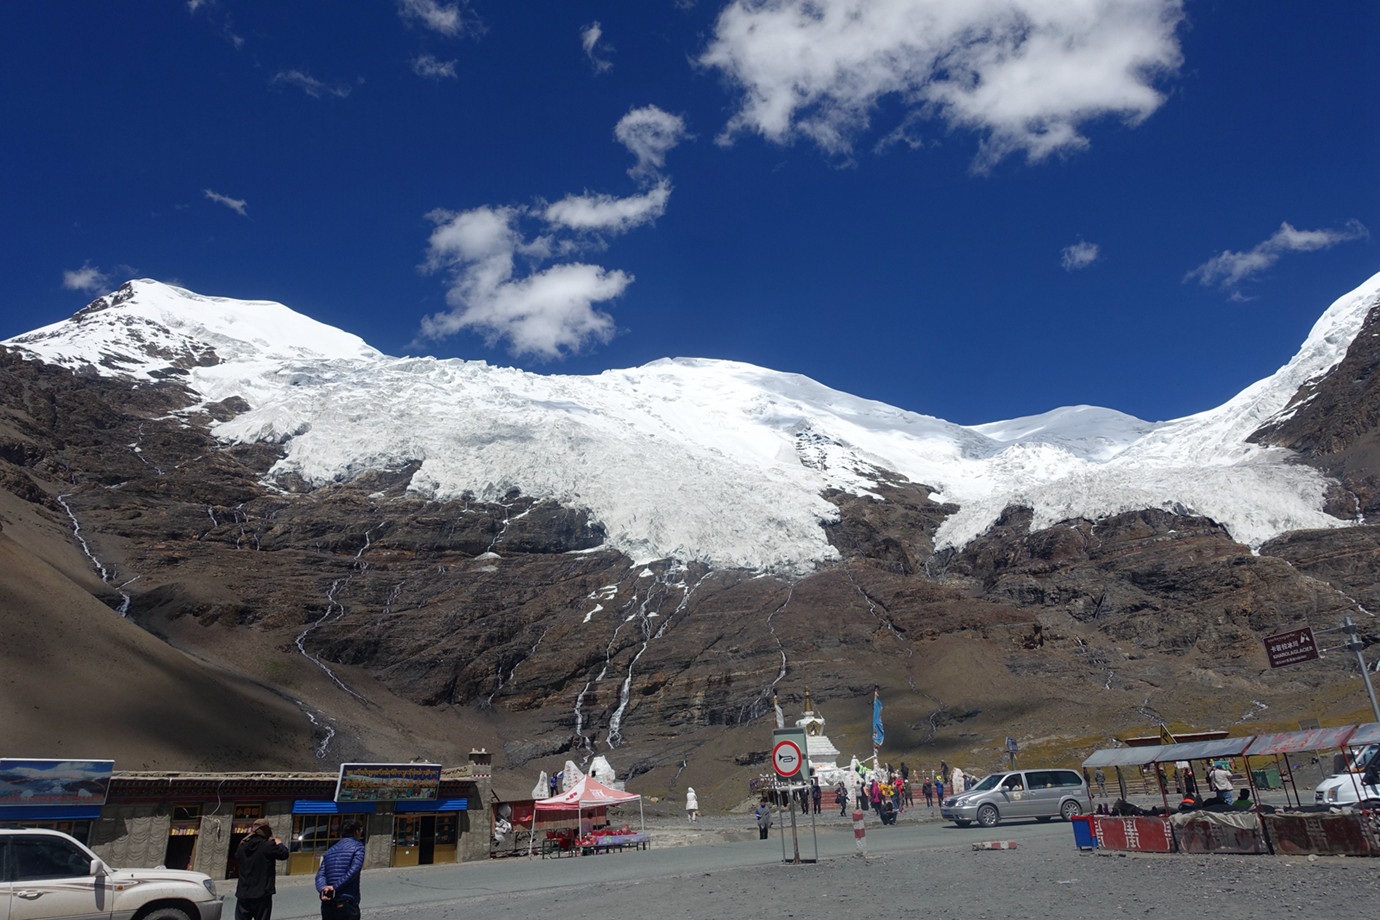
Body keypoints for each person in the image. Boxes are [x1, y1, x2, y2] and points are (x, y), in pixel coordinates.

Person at [234, 818, 289, 920]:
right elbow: (284, 854)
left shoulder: (242, 845)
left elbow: (237, 857)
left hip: (244, 892)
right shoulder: (267, 846)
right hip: (262, 893)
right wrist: (279, 843)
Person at [315, 821, 366, 920]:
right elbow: (353, 871)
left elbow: (320, 874)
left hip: (328, 900)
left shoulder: (330, 850)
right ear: (356, 832)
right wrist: (334, 887)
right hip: (346, 899)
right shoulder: (358, 847)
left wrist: (323, 889)